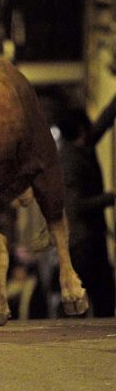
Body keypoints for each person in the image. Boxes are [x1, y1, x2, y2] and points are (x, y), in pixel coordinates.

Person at [56, 102, 116, 317]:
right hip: (83, 242)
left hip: (90, 239)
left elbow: (103, 124)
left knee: (102, 299)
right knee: (97, 300)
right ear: (81, 128)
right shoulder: (70, 159)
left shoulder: (81, 147)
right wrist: (111, 197)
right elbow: (76, 205)